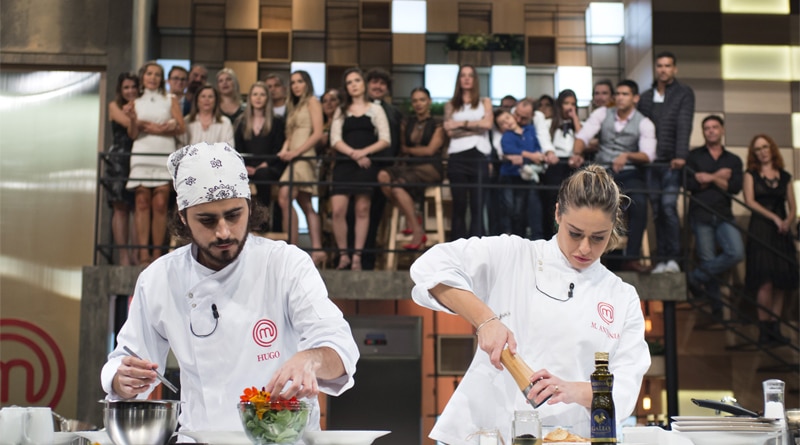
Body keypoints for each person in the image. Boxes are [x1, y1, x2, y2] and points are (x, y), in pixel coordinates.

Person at [101, 142, 360, 433]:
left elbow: (340, 349)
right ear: (183, 218)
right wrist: (120, 379)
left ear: (249, 207)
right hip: (201, 438)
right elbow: (125, 361)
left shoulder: (285, 264)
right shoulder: (160, 278)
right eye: (207, 220)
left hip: (282, 440)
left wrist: (311, 359)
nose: (223, 232)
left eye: (234, 215)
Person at [409, 165, 650, 443]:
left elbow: (625, 391)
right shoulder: (515, 255)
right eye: (575, 233)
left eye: (598, 238)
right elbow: (430, 266)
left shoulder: (622, 296)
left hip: (570, 437)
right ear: (558, 213)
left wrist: (572, 390)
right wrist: (485, 320)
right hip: (487, 432)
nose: (585, 248)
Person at [570, 79, 656, 273]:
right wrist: (577, 153)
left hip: (630, 172)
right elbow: (582, 136)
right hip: (603, 172)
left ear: (635, 98)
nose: (619, 98)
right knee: (584, 198)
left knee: (640, 203)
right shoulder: (602, 113)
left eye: (625, 94)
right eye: (617, 94)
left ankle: (631, 258)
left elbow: (648, 154)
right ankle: (582, 252)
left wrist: (627, 155)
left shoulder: (644, 122)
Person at [638, 51, 695, 274]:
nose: (663, 69)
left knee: (669, 207)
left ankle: (674, 258)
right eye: (660, 65)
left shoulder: (684, 93)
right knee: (657, 212)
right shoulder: (645, 96)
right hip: (651, 163)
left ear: (674, 69)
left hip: (672, 161)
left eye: (667, 65)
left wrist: (681, 155)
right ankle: (661, 258)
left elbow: (684, 124)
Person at [329, 68, 391, 271]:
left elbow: (385, 139)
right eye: (349, 82)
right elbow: (335, 139)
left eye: (357, 80)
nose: (354, 84)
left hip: (365, 165)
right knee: (338, 210)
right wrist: (353, 154)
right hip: (345, 164)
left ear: (363, 83)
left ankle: (356, 257)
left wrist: (363, 153)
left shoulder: (376, 109)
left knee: (362, 210)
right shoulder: (341, 110)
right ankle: (343, 255)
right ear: (346, 87)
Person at [126, 61, 185, 264]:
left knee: (160, 204)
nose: (153, 77)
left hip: (163, 154)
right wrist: (137, 122)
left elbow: (181, 127)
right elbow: (133, 133)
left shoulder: (170, 99)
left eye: (157, 74)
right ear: (143, 77)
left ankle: (157, 254)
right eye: (149, 73)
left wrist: (156, 128)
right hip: (142, 154)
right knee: (142, 203)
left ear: (162, 79)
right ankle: (143, 253)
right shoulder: (135, 101)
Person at [685, 115, 744, 320]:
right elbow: (690, 185)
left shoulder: (733, 160)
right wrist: (719, 177)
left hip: (724, 214)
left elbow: (735, 188)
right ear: (703, 132)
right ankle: (717, 309)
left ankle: (694, 277)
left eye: (714, 127)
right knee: (708, 259)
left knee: (736, 252)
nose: (711, 131)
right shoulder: (693, 157)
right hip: (700, 214)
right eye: (707, 128)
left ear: (722, 130)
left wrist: (708, 177)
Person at [742, 134, 797, 344]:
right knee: (764, 281)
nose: (762, 151)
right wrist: (774, 217)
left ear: (771, 148)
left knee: (781, 281)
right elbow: (750, 201)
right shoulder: (751, 174)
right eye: (758, 149)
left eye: (765, 147)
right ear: (754, 153)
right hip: (761, 229)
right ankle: (764, 330)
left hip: (781, 232)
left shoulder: (784, 176)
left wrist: (787, 220)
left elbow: (793, 206)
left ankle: (776, 329)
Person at [377, 87, 444, 250]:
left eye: (422, 100)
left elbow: (430, 151)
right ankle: (412, 215)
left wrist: (410, 150)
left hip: (430, 167)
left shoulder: (437, 124)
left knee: (398, 187)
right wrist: (410, 151)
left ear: (429, 102)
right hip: (410, 167)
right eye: (415, 101)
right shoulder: (406, 123)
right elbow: (401, 147)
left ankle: (416, 230)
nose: (418, 104)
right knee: (383, 177)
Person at [277, 70, 326, 266]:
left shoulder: (313, 101)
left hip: (304, 157)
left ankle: (293, 247)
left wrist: (296, 152)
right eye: (293, 82)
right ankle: (317, 249)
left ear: (307, 83)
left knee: (285, 196)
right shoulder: (294, 106)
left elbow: (317, 133)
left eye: (300, 81)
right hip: (293, 157)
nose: (296, 85)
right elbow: (290, 134)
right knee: (305, 204)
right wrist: (284, 150)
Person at [443, 65, 493, 240]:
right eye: (463, 75)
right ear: (458, 79)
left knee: (478, 205)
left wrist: (459, 124)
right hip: (457, 156)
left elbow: (487, 125)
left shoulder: (484, 101)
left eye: (470, 75)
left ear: (475, 79)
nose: (466, 78)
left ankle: (477, 252)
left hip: (479, 155)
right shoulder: (450, 105)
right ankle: (457, 250)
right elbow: (449, 131)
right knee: (459, 205)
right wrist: (475, 124)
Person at [362, 68, 405, 269]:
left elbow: (396, 142)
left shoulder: (394, 112)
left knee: (377, 216)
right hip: (362, 168)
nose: (378, 87)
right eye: (374, 82)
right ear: (367, 84)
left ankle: (369, 261)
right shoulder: (359, 107)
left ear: (387, 88)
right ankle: (357, 259)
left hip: (384, 169)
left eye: (382, 83)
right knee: (358, 214)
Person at [234, 82, 287, 229]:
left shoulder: (277, 122)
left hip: (271, 166)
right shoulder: (241, 121)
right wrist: (245, 166)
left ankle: (262, 223)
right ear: (250, 98)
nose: (258, 98)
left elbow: (278, 147)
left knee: (263, 174)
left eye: (262, 94)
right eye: (255, 94)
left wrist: (264, 165)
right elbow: (238, 149)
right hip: (246, 167)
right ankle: (241, 224)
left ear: (267, 98)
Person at [493, 108, 544, 239]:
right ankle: (509, 237)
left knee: (522, 210)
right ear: (500, 128)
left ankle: (521, 238)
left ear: (513, 116)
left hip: (527, 176)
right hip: (509, 176)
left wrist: (529, 156)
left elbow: (537, 148)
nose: (507, 123)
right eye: (502, 123)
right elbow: (509, 150)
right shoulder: (506, 137)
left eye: (507, 118)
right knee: (510, 209)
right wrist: (531, 155)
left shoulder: (530, 129)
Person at [105, 72, 139, 266]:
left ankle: (135, 254)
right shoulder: (113, 105)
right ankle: (123, 257)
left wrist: (137, 116)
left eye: (134, 87)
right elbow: (128, 125)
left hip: (137, 157)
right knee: (120, 208)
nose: (130, 91)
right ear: (120, 90)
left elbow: (135, 131)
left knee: (136, 208)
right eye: (126, 87)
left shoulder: (141, 106)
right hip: (119, 158)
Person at [541, 90, 582, 237]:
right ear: (559, 105)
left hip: (573, 166)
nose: (569, 107)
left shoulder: (578, 125)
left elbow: (584, 139)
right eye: (566, 103)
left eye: (573, 104)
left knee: (573, 203)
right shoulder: (548, 123)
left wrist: (575, 118)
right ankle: (552, 235)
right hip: (554, 165)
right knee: (552, 204)